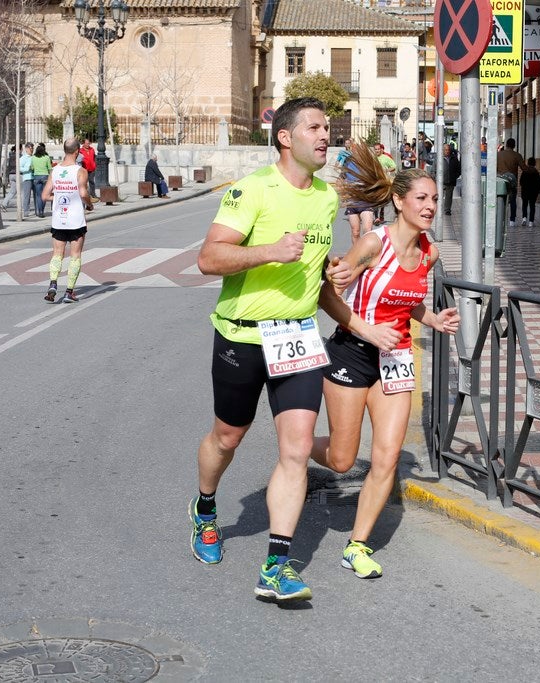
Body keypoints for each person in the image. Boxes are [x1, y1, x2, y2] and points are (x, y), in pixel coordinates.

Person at [189, 97, 338, 602]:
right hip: (242, 335)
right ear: (285, 137)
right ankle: (205, 508)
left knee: (296, 450)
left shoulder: (327, 198)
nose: (325, 135)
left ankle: (277, 565)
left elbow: (315, 266)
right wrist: (270, 251)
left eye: (327, 127)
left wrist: (334, 270)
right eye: (314, 127)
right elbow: (209, 258)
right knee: (227, 437)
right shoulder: (251, 190)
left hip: (298, 337)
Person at [313, 141, 460, 579]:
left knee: (387, 457)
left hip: (395, 358)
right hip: (352, 351)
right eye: (421, 198)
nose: (430, 206)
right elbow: (328, 296)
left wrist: (431, 318)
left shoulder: (429, 252)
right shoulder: (373, 244)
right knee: (342, 460)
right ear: (399, 201)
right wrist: (366, 330)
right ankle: (296, 449)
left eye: (434, 199)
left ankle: (356, 545)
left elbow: (407, 300)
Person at [40, 137, 92, 304]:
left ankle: (53, 283)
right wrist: (89, 204)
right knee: (75, 255)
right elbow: (83, 193)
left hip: (59, 219)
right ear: (77, 151)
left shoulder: (55, 170)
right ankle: (69, 291)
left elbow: (44, 195)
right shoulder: (80, 171)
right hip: (76, 219)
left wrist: (59, 196)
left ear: (64, 150)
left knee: (57, 254)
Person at [340, 140, 376, 245]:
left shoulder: (369, 163)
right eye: (354, 150)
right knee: (355, 232)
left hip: (366, 201)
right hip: (352, 202)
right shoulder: (348, 161)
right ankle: (357, 253)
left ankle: (367, 252)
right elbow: (342, 177)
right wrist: (343, 191)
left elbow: (375, 178)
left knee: (367, 231)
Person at [497, 138, 527, 228]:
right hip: (512, 181)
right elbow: (524, 168)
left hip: (500, 181)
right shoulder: (517, 155)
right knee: (513, 201)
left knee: (501, 199)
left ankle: (501, 219)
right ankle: (512, 221)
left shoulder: (498, 155)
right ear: (514, 146)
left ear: (506, 145)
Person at [373, 143, 396, 225]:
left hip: (384, 180)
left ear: (381, 150)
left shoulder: (386, 158)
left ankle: (382, 212)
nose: (377, 151)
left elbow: (394, 167)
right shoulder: (372, 158)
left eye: (378, 149)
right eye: (375, 149)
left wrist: (386, 170)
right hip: (374, 181)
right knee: (375, 199)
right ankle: (376, 217)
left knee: (383, 198)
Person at [30, 143, 52, 217]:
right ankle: (42, 210)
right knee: (45, 194)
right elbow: (50, 168)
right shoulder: (47, 157)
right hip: (45, 177)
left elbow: (32, 168)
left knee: (38, 195)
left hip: (36, 177)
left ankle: (39, 211)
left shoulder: (33, 158)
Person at [519, 159, 540, 226]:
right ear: (534, 163)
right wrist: (538, 191)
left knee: (524, 205)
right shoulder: (536, 172)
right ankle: (531, 222)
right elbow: (539, 183)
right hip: (533, 193)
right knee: (532, 206)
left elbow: (521, 182)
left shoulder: (524, 172)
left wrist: (524, 187)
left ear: (528, 163)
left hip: (525, 192)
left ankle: (524, 219)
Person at [440, 142, 460, 216]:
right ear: (443, 150)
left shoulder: (454, 159)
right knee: (439, 196)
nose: (447, 151)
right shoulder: (439, 158)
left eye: (448, 150)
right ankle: (438, 209)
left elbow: (458, 169)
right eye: (445, 150)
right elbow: (433, 170)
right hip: (441, 181)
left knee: (449, 196)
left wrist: (455, 176)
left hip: (451, 180)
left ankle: (447, 210)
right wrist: (436, 178)